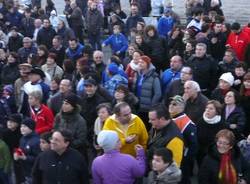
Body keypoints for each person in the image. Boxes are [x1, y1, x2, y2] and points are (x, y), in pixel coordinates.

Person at [168, 95, 197, 184]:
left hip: (181, 160)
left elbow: (193, 145)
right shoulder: (171, 117)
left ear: (181, 107)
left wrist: (184, 159)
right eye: (170, 103)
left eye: (174, 104)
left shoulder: (187, 124)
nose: (170, 106)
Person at [134, 55, 162, 128]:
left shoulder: (154, 76)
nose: (140, 63)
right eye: (139, 62)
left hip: (148, 109)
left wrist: (151, 106)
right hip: (139, 107)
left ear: (148, 64)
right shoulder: (139, 75)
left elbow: (158, 93)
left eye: (142, 62)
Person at [197, 100, 226, 166]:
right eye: (207, 108)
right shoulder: (200, 121)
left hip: (215, 155)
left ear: (217, 111)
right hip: (200, 154)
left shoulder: (222, 124)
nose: (207, 110)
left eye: (211, 108)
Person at [14, 118, 41, 184]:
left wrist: (25, 158)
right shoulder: (22, 138)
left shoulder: (37, 141)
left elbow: (39, 159)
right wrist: (17, 154)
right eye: (21, 126)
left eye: (25, 126)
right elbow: (22, 151)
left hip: (32, 172)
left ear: (31, 128)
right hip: (24, 171)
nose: (22, 128)